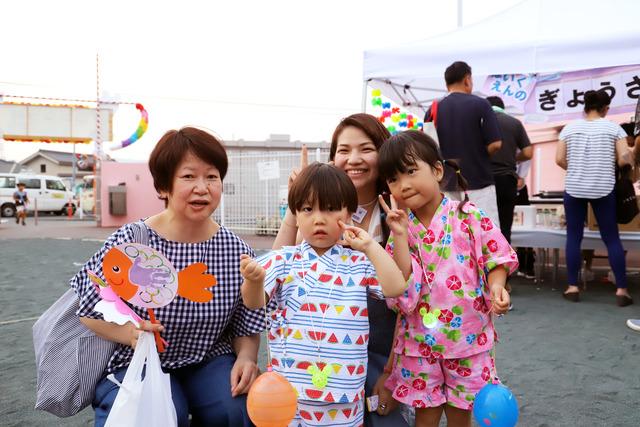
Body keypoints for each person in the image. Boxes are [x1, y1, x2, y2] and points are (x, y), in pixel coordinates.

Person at [70, 127, 263, 427]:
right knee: (156, 411)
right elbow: (89, 307)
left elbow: (246, 321)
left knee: (236, 408)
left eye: (211, 177)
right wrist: (131, 335)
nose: (202, 187)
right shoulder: (133, 242)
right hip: (139, 359)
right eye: (189, 177)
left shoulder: (234, 249)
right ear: (163, 187)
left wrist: (247, 357)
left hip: (208, 359)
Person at [240, 162, 407, 427]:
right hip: (288, 392)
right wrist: (253, 281)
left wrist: (370, 247)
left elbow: (396, 287)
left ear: (349, 212)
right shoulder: (284, 259)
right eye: (308, 209)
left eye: (330, 209)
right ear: (295, 213)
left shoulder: (359, 261)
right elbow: (253, 302)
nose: (319, 218)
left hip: (344, 392)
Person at [273, 113, 410, 426]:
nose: (354, 159)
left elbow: (404, 294)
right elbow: (280, 266)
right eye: (344, 151)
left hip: (384, 349)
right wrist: (299, 201)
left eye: (365, 149)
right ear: (333, 157)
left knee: (386, 422)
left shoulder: (397, 212)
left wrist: (391, 371)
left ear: (383, 152)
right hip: (318, 354)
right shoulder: (314, 216)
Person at [377, 130, 517, 427]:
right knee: (425, 417)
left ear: (437, 170)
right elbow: (400, 287)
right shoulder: (399, 229)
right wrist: (400, 236)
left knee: (460, 416)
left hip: (469, 340)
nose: (403, 185)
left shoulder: (469, 216)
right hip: (419, 342)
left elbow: (496, 258)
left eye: (411, 171)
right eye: (393, 179)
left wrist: (496, 286)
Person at [556, 89, 634, 307]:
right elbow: (623, 160)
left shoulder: (569, 129)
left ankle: (572, 287)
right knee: (611, 239)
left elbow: (559, 159)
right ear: (605, 109)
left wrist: (576, 170)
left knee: (574, 237)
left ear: (585, 106)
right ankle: (621, 290)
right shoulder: (614, 129)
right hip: (603, 188)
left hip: (574, 188)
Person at [425, 61, 503, 227]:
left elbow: (427, 147)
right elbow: (495, 144)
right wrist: (478, 154)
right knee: (486, 231)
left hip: (445, 183)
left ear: (447, 84)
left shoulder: (432, 109)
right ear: (467, 79)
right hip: (478, 180)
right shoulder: (481, 104)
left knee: (451, 231)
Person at [486, 96, 533, 244]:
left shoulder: (480, 122)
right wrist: (514, 159)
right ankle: (505, 265)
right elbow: (528, 153)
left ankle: (485, 265)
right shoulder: (514, 123)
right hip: (507, 179)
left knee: (484, 225)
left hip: (484, 180)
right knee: (505, 226)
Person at [514, 159, 535, 279]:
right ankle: (521, 263)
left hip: (519, 191)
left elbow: (519, 182)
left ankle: (529, 264)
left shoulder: (521, 150)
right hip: (507, 188)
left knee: (525, 224)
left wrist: (520, 176)